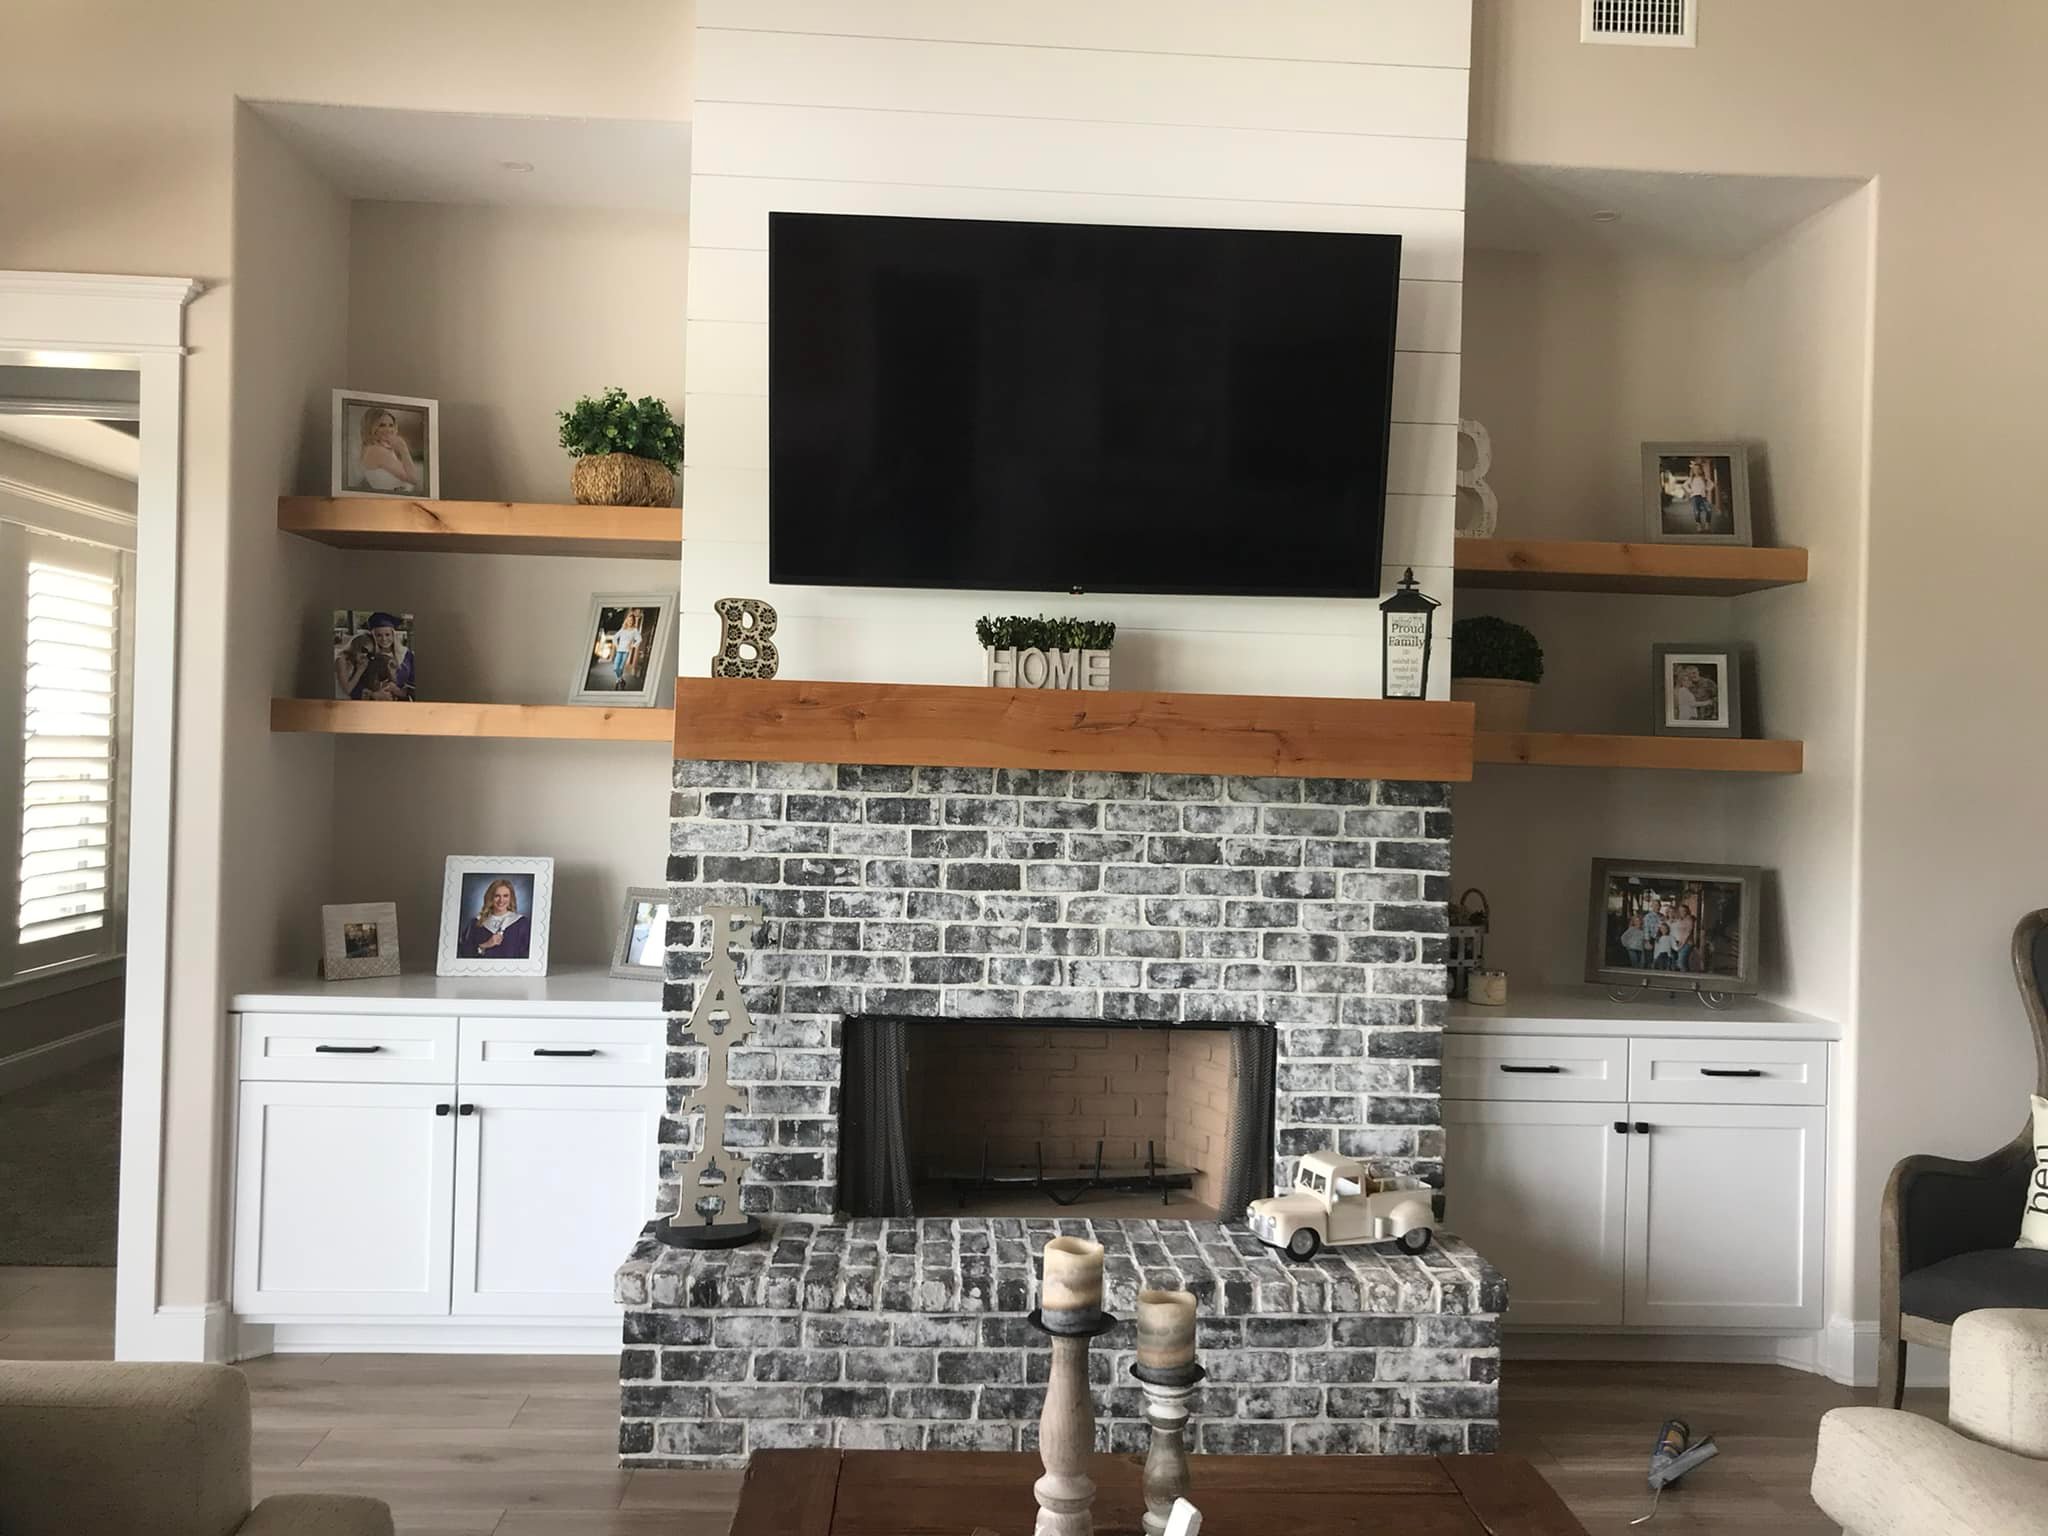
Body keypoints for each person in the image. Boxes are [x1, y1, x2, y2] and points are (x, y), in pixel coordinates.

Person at [457, 878, 530, 960]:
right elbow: (464, 953)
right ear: (490, 898)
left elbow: (526, 955)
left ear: (511, 898)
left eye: (505, 896)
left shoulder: (521, 923)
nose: (501, 900)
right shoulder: (476, 923)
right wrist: (486, 945)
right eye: (497, 896)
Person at [355, 408, 420, 493]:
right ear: (371, 427)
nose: (388, 430)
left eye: (391, 425)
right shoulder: (378, 451)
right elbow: (414, 480)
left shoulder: (371, 448)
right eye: (382, 425)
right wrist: (403, 448)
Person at [610, 607, 645, 689]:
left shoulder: (634, 630)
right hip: (619, 650)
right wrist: (617, 645)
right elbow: (615, 637)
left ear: (633, 621)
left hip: (626, 651)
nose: (630, 622)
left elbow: (639, 639)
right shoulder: (623, 629)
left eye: (631, 620)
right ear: (626, 620)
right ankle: (621, 680)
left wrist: (632, 646)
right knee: (616, 668)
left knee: (621, 667)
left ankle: (618, 681)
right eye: (629, 620)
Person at [1685, 457, 1714, 531]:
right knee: (1697, 511)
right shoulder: (1691, 479)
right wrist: (1690, 491)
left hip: (1703, 497)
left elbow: (1712, 484)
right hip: (1694, 497)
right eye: (1695, 469)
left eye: (1698, 469)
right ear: (1693, 471)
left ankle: (1707, 524)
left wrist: (1707, 489)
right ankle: (1699, 525)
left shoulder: (1704, 478)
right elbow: (1684, 485)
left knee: (1709, 510)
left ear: (1701, 470)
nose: (1697, 471)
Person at [1671, 899, 1699, 972]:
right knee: (1682, 962)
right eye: (1680, 911)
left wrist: (1681, 945)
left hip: (1687, 943)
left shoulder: (1689, 920)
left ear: (1687, 911)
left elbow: (1687, 934)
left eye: (1683, 911)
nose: (1681, 912)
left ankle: (1685, 975)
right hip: (1679, 943)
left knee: (1681, 962)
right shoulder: (1680, 920)